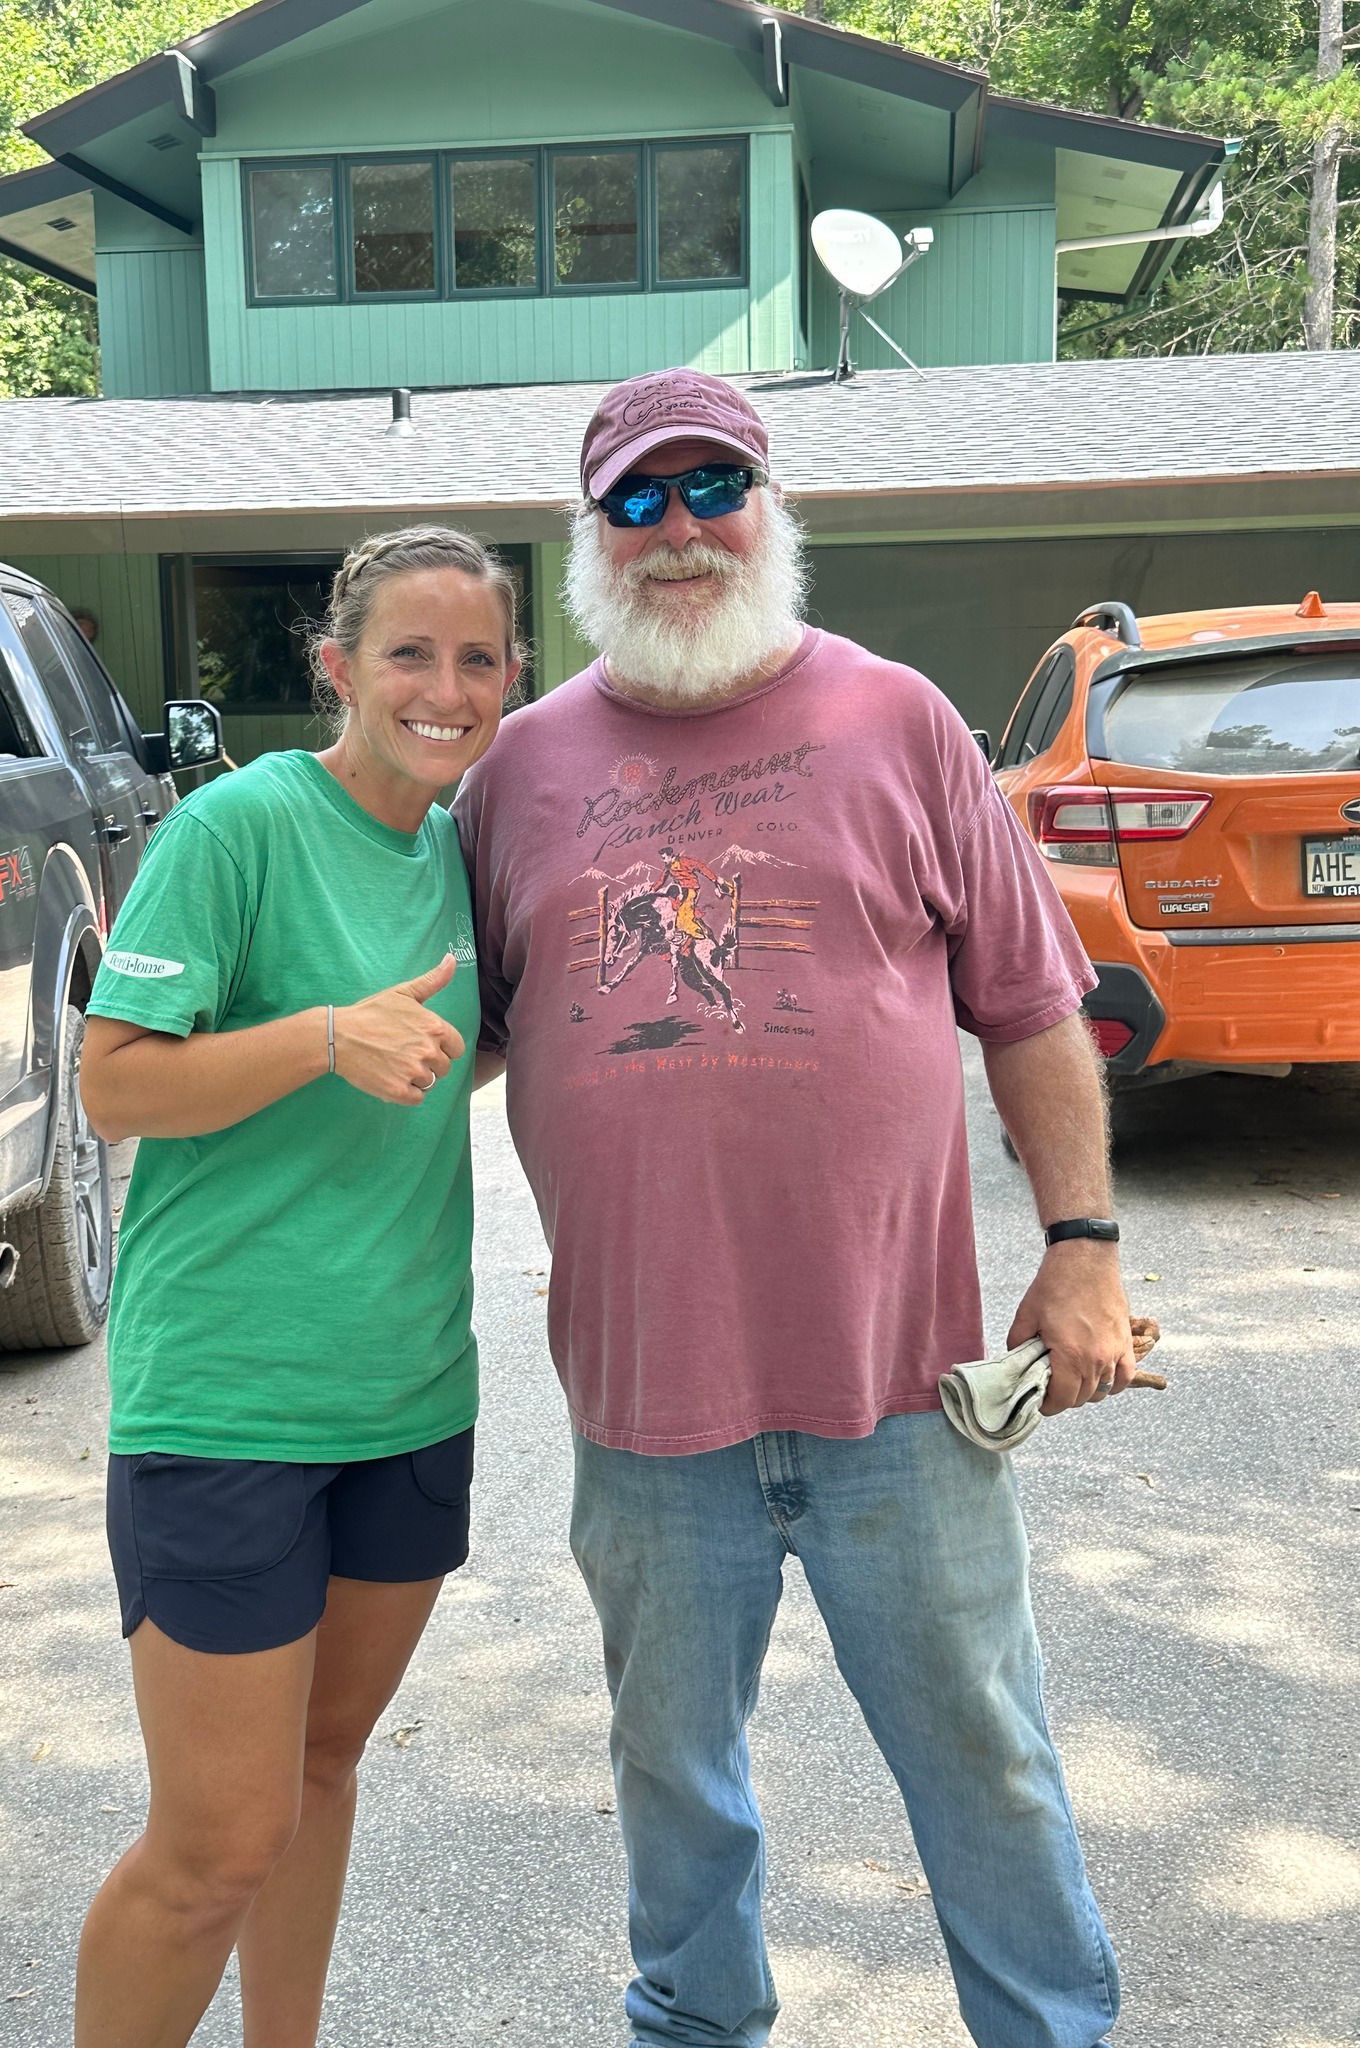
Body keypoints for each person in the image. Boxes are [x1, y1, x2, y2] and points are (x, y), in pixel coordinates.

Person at [455, 370, 1137, 2048]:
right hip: (644, 1404)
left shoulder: (898, 718)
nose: (679, 531)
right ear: (590, 536)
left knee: (985, 1753)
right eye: (637, 501)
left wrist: (1085, 1249)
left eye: (713, 491)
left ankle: (1050, 2030)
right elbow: (441, 1036)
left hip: (897, 1387)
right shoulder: (518, 774)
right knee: (676, 1784)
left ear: (771, 506)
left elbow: (1036, 1003)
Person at [74, 525, 521, 2048]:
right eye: (410, 652)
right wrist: (322, 1037)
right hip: (230, 1402)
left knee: (317, 1779)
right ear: (337, 669)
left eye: (478, 658)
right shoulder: (238, 830)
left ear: (512, 682)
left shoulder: (463, 851)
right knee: (213, 1845)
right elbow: (114, 1087)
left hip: (406, 1394)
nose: (444, 688)